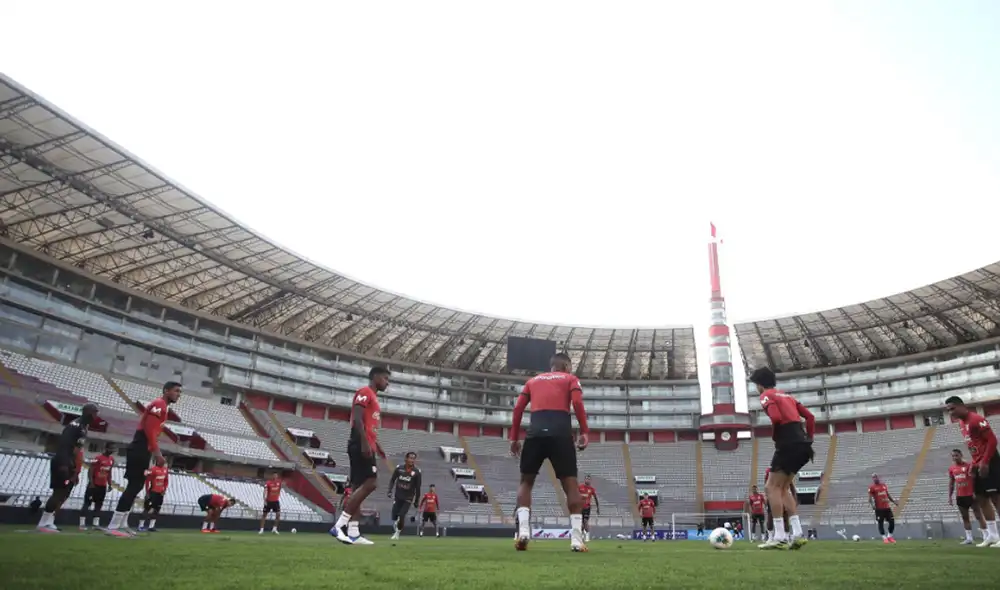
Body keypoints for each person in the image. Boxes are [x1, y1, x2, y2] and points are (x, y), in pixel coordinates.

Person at [510, 352, 590, 552]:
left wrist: (513, 438)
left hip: (535, 434)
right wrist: (585, 431)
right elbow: (578, 403)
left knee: (526, 482)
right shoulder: (570, 379)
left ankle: (524, 532)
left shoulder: (532, 381)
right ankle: (576, 539)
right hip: (561, 434)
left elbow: (518, 408)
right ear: (566, 366)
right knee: (570, 484)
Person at [750, 367, 813, 550]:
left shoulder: (766, 395)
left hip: (788, 442)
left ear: (759, 384)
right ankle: (798, 533)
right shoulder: (788, 396)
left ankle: (779, 536)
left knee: (771, 487)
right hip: (803, 444)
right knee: (784, 488)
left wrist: (776, 436)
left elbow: (776, 417)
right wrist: (809, 438)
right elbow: (809, 417)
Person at [107, 381, 181, 537]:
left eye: (179, 392)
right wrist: (157, 453)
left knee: (137, 485)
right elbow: (149, 429)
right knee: (134, 485)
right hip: (140, 447)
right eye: (176, 391)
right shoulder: (159, 404)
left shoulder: (163, 406)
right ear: (166, 391)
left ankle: (121, 524)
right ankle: (113, 525)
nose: (178, 394)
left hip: (143, 448)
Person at [331, 367, 389, 546]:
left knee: (357, 487)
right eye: (386, 379)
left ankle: (354, 533)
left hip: (365, 443)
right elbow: (356, 418)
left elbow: (368, 424)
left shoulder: (374, 397)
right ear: (376, 377)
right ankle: (339, 526)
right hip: (359, 443)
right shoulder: (365, 392)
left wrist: (376, 445)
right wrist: (364, 443)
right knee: (371, 483)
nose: (388, 382)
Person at [945, 395, 1000, 546]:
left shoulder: (976, 419)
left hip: (990, 461)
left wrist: (985, 462)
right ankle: (993, 535)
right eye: (948, 410)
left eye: (952, 409)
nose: (951, 413)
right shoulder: (962, 423)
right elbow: (974, 447)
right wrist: (974, 465)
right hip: (978, 463)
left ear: (961, 406)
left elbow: (992, 440)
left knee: (996, 498)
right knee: (982, 499)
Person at [37, 404, 99, 533]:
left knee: (63, 494)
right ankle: (43, 523)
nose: (95, 416)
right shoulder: (77, 426)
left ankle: (49, 522)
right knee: (58, 493)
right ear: (87, 412)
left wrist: (75, 470)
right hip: (63, 461)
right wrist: (65, 464)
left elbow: (76, 449)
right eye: (94, 413)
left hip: (68, 461)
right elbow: (65, 445)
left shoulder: (81, 426)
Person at [949, 448, 988, 544]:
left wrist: (975, 492)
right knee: (965, 517)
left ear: (961, 455)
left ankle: (986, 536)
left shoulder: (969, 466)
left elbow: (975, 480)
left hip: (971, 495)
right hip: (960, 496)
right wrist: (950, 496)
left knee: (979, 516)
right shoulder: (952, 469)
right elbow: (951, 483)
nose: (955, 457)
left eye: (956, 455)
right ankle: (969, 538)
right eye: (953, 456)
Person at [80, 443, 115, 530]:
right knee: (87, 504)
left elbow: (109, 473)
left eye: (113, 449)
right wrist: (91, 482)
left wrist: (110, 484)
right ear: (106, 448)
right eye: (110, 448)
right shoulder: (97, 458)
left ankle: (95, 524)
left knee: (99, 505)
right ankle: (82, 524)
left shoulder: (111, 460)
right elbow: (91, 470)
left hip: (103, 486)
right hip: (94, 485)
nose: (112, 451)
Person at [388, 452, 422, 540]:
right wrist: (389, 491)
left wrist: (416, 500)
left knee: (402, 515)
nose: (412, 460)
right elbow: (392, 480)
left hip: (408, 498)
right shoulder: (399, 469)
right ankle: (396, 523)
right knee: (394, 516)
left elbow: (418, 488)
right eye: (410, 458)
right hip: (398, 496)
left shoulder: (417, 472)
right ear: (406, 459)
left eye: (413, 458)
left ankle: (397, 533)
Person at [762, 467, 795, 542]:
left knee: (785, 516)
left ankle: (786, 536)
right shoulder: (769, 471)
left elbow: (791, 484)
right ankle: (770, 536)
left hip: (784, 495)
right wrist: (767, 496)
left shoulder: (785, 470)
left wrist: (794, 496)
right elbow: (766, 484)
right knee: (770, 515)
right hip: (774, 496)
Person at [138, 459, 169, 532]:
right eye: (161, 461)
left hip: (160, 493)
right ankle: (141, 526)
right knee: (147, 509)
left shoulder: (165, 470)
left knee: (156, 509)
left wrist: (164, 489)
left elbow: (166, 480)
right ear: (157, 462)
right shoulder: (152, 469)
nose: (163, 462)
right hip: (152, 492)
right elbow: (147, 481)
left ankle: (151, 527)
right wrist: (147, 492)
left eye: (164, 461)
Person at [868, 474, 898, 544]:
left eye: (876, 477)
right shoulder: (872, 487)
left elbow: (887, 494)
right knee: (880, 523)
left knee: (892, 522)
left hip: (887, 508)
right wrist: (872, 505)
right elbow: (869, 499)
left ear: (878, 477)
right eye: (873, 477)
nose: (875, 478)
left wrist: (893, 502)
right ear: (873, 479)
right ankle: (884, 538)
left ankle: (889, 536)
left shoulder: (884, 485)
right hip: (879, 509)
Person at [578, 475, 599, 543]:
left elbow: (595, 498)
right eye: (586, 479)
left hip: (587, 507)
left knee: (585, 521)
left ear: (590, 480)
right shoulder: (580, 487)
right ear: (584, 480)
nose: (587, 480)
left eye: (589, 479)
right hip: (580, 507)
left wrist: (598, 507)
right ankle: (582, 536)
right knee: (581, 524)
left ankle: (587, 537)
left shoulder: (591, 489)